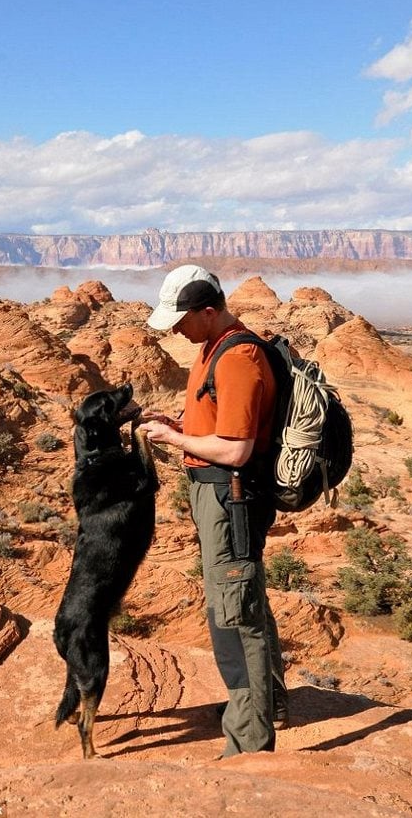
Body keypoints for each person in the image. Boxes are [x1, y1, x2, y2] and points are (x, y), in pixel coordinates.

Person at [139, 264, 288, 757]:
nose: (176, 330)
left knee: (232, 613)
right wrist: (179, 421)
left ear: (209, 310)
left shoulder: (238, 357)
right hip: (219, 495)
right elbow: (219, 422)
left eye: (181, 320)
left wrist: (174, 438)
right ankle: (272, 705)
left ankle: (247, 742)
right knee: (242, 598)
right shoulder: (211, 348)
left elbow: (238, 449)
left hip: (231, 496)